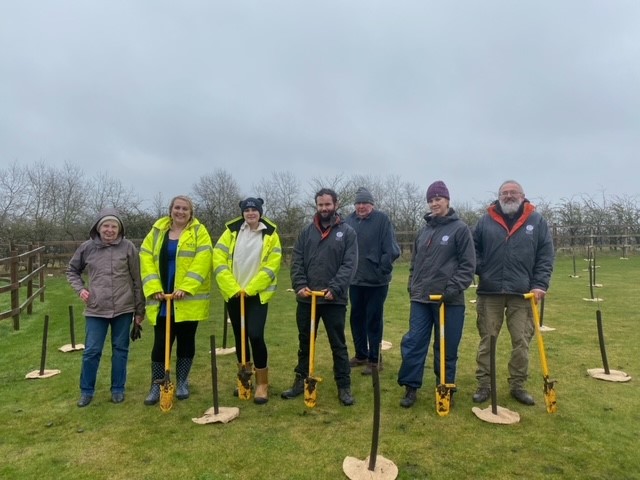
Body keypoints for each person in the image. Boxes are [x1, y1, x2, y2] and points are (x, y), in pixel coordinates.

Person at [472, 180, 554, 406]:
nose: (508, 196)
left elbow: (545, 255)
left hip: (523, 293)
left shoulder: (536, 221)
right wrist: (483, 268)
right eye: (504, 193)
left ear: (522, 195)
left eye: (513, 192)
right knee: (487, 339)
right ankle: (484, 385)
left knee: (521, 341)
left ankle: (518, 385)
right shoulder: (485, 220)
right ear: (498, 196)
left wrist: (540, 284)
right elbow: (472, 249)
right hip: (490, 292)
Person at [397, 181, 476, 408]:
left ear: (447, 200)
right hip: (421, 299)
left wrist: (450, 291)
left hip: (449, 301)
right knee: (414, 343)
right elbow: (415, 262)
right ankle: (410, 387)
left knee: (446, 346)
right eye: (431, 200)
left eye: (438, 199)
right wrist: (412, 284)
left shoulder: (460, 229)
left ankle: (445, 385)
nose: (434, 203)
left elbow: (468, 265)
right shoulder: (423, 231)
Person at [281, 188, 358, 406]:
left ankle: (343, 386)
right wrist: (300, 285)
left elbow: (349, 264)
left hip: (334, 299)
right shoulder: (306, 232)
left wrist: (335, 288)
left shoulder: (347, 233)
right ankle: (300, 381)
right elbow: (296, 260)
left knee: (338, 344)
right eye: (320, 205)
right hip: (307, 299)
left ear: (335, 204)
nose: (324, 208)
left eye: (328, 204)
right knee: (305, 342)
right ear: (316, 206)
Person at [67, 208, 145, 407]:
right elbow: (72, 270)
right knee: (92, 351)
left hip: (123, 309)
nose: (109, 230)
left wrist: (139, 311)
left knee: (120, 350)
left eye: (114, 226)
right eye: (106, 226)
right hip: (96, 308)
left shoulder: (128, 248)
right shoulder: (87, 248)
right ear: (98, 227)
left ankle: (118, 389)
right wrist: (80, 289)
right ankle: (86, 391)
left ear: (119, 229)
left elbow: (138, 280)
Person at [139, 195, 213, 405]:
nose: (180, 212)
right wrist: (154, 287)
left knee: (186, 341)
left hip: (187, 300)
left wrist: (187, 287)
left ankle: (181, 381)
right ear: (170, 210)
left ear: (191, 213)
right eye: (177, 208)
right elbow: (145, 257)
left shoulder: (199, 232)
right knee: (161, 343)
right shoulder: (157, 231)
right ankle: (157, 384)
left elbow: (203, 259)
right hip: (162, 297)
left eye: (185, 209)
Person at [212, 197, 282, 404]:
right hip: (234, 294)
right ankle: (244, 379)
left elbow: (272, 265)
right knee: (240, 336)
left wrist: (251, 289)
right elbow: (219, 260)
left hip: (257, 295)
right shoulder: (231, 232)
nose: (251, 213)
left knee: (255, 334)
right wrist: (233, 288)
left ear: (260, 212)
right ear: (242, 212)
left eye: (254, 210)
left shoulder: (270, 235)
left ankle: (262, 383)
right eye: (247, 209)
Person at [345, 187, 400, 375]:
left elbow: (392, 249)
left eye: (364, 203)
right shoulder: (348, 221)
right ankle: (361, 354)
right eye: (358, 203)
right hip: (355, 281)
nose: (361, 206)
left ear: (372, 205)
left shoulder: (382, 220)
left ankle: (375, 360)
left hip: (376, 282)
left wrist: (381, 269)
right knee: (356, 318)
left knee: (373, 320)